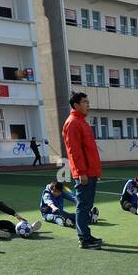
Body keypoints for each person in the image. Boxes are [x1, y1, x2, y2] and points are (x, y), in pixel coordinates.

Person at [61, 92, 104, 249]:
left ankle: (87, 235)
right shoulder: (73, 123)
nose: (88, 104)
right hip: (84, 173)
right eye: (85, 102)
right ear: (76, 105)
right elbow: (74, 151)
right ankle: (84, 239)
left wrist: (95, 172)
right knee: (83, 206)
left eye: (88, 101)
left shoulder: (82, 122)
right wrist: (81, 172)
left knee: (87, 205)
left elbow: (89, 150)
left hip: (90, 172)